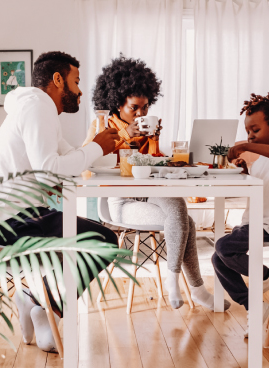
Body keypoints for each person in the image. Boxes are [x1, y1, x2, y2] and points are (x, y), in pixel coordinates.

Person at [0, 51, 121, 352]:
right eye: (76, 82)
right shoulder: (38, 108)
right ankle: (40, 305)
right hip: (9, 220)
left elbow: (64, 160)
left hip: (17, 212)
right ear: (57, 80)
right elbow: (52, 168)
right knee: (103, 240)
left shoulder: (37, 108)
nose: (79, 92)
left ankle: (35, 301)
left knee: (94, 236)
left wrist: (94, 149)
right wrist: (95, 147)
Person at [83, 56, 228, 311]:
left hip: (148, 193)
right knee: (186, 221)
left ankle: (177, 281)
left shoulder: (144, 127)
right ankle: (193, 288)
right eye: (134, 108)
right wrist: (126, 135)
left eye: (145, 107)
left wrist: (154, 142)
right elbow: (87, 166)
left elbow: (149, 166)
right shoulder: (102, 125)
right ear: (117, 102)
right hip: (120, 201)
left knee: (179, 208)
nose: (141, 114)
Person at [212, 92, 269, 338]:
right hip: (251, 223)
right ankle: (254, 305)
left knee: (223, 247)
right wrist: (245, 168)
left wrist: (246, 146)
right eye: (248, 132)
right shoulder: (259, 161)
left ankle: (267, 274)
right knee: (218, 259)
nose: (250, 136)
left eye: (255, 130)